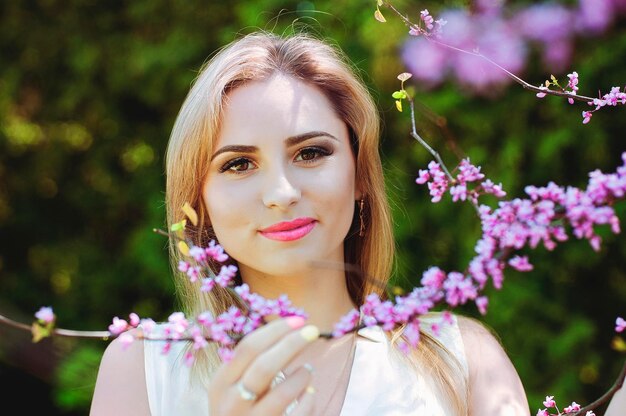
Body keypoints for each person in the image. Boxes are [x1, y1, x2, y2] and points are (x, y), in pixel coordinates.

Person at [90, 31, 538, 416]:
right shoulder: (142, 372)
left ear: (360, 174)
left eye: (310, 153)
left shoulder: (461, 359)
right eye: (239, 164)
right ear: (197, 199)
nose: (282, 193)